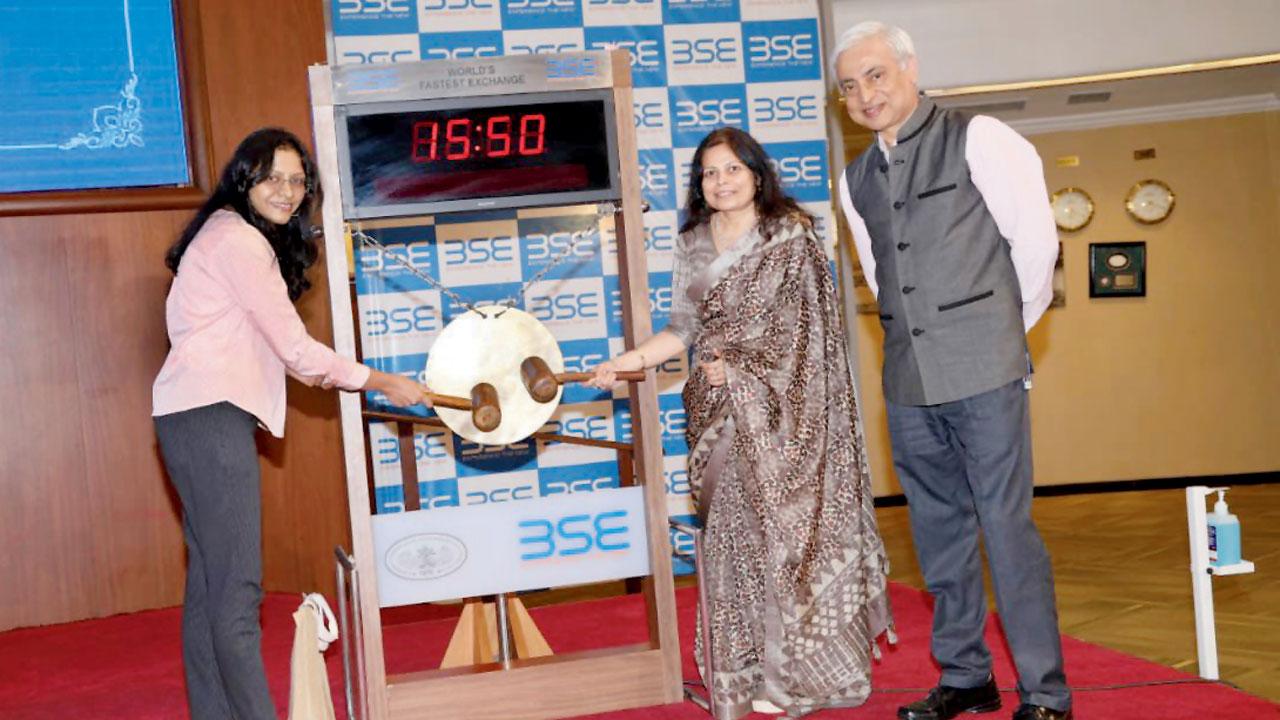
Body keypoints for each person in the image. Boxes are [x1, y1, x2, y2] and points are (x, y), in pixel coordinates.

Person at [588, 127, 891, 719]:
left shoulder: (791, 238)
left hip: (787, 424)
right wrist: (625, 363)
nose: (721, 181)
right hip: (718, 419)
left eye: (732, 169)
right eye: (709, 173)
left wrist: (743, 368)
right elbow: (682, 329)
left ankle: (793, 680)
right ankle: (744, 670)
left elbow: (809, 342)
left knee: (786, 542)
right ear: (698, 184)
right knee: (732, 544)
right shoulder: (695, 242)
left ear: (757, 173)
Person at [831, 21, 1071, 720]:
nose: (865, 94)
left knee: (1007, 531)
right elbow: (878, 274)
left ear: (910, 68)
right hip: (907, 381)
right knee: (938, 536)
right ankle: (966, 676)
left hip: (986, 370)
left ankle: (1047, 695)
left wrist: (998, 336)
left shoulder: (981, 136)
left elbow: (1034, 245)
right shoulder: (855, 179)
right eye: (850, 86)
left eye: (876, 75)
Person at [152, 127, 430, 720]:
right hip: (208, 420)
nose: (286, 191)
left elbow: (285, 358)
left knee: (210, 587)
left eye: (298, 181)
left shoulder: (226, 236)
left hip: (191, 418)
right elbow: (299, 352)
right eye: (273, 177)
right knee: (237, 593)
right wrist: (384, 381)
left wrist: (330, 375)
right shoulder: (239, 242)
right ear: (244, 179)